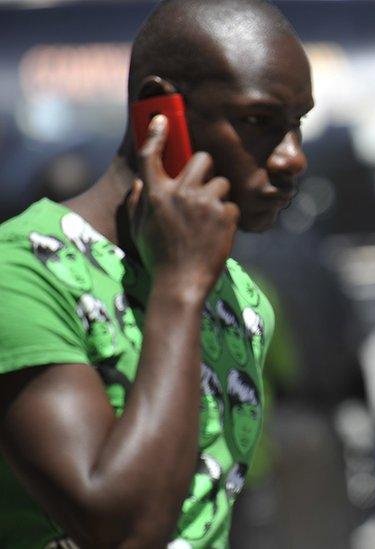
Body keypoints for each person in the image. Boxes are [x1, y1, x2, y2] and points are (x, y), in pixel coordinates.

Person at [0, 0, 312, 546]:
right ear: (157, 112)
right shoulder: (22, 273)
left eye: (298, 124)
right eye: (260, 121)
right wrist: (179, 288)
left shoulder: (242, 300)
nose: (292, 158)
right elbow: (123, 532)